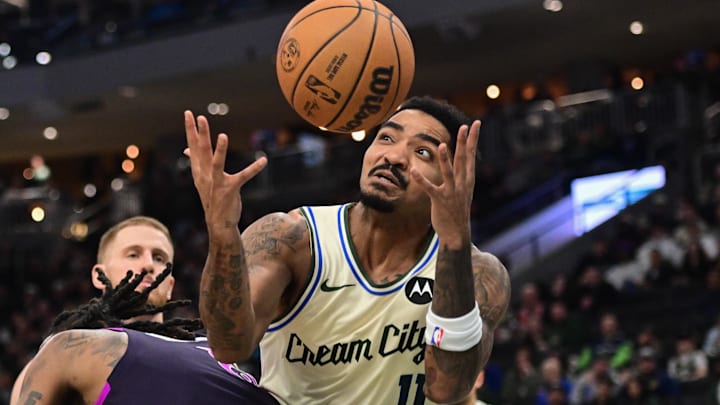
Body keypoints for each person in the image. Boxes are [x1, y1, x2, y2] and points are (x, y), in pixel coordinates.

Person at [183, 95, 512, 404]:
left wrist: (453, 244)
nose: (394, 156)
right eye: (386, 138)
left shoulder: (478, 273)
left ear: (455, 180)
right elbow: (228, 346)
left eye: (423, 152)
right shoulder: (293, 238)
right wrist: (222, 230)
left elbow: (448, 387)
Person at [11, 266, 279, 405]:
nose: (149, 264)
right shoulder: (71, 346)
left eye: (161, 258)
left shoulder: (209, 345)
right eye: (132, 253)